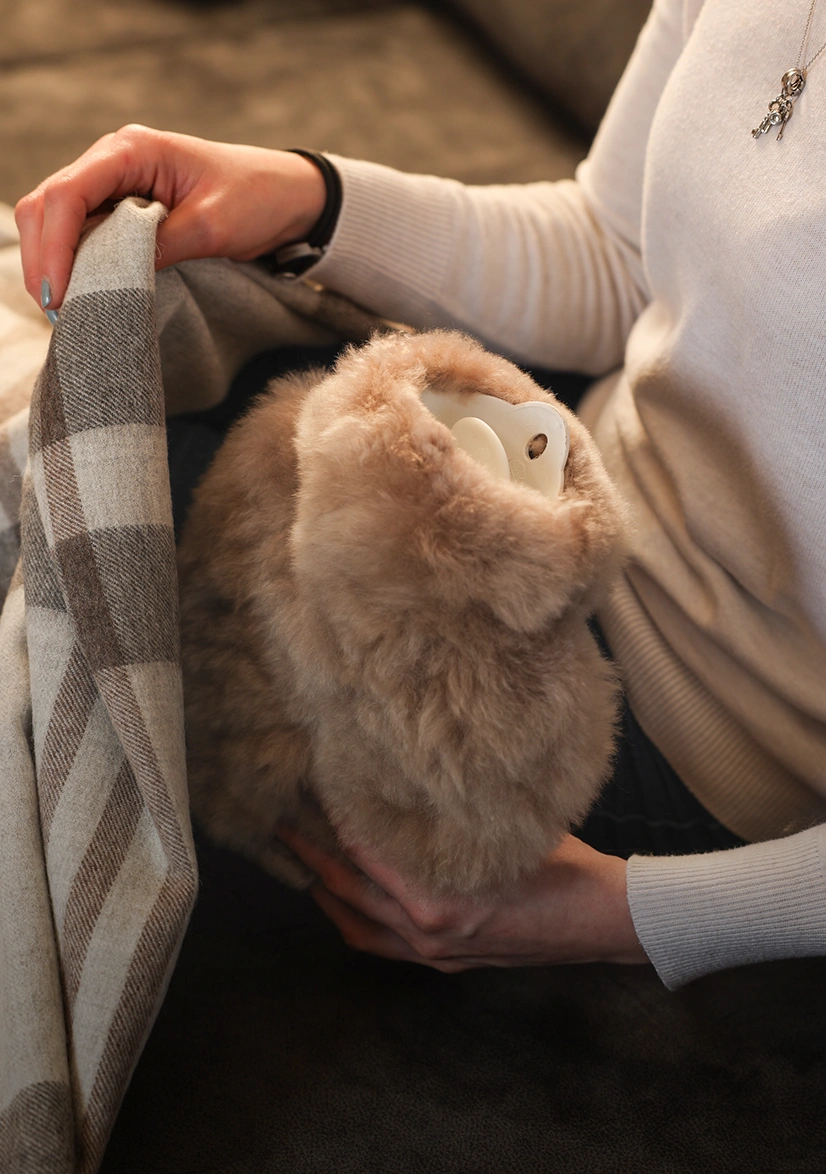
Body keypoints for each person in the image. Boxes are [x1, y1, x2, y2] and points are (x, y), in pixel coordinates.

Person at [15, 0, 826, 990]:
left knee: (59, 508)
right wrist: (311, 198)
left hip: (686, 733)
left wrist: (634, 912)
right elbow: (617, 251)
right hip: (561, 471)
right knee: (107, 351)